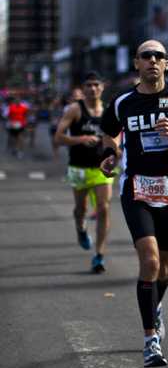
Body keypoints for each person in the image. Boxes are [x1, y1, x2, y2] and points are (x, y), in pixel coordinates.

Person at [99, 40, 168, 367]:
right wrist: (109, 154)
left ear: (167, 63)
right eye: (145, 55)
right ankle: (151, 339)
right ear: (136, 63)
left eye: (158, 56)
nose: (152, 60)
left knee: (164, 267)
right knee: (149, 261)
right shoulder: (123, 102)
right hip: (136, 186)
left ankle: (154, 306)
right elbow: (108, 134)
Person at [54, 72, 114, 272]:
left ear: (102, 87)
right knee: (81, 208)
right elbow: (59, 137)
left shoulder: (108, 112)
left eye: (96, 85)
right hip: (78, 167)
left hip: (101, 168)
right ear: (83, 88)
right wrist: (80, 139)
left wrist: (117, 149)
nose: (92, 89)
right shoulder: (74, 109)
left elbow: (115, 138)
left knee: (104, 208)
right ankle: (81, 228)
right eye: (88, 85)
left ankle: (99, 255)